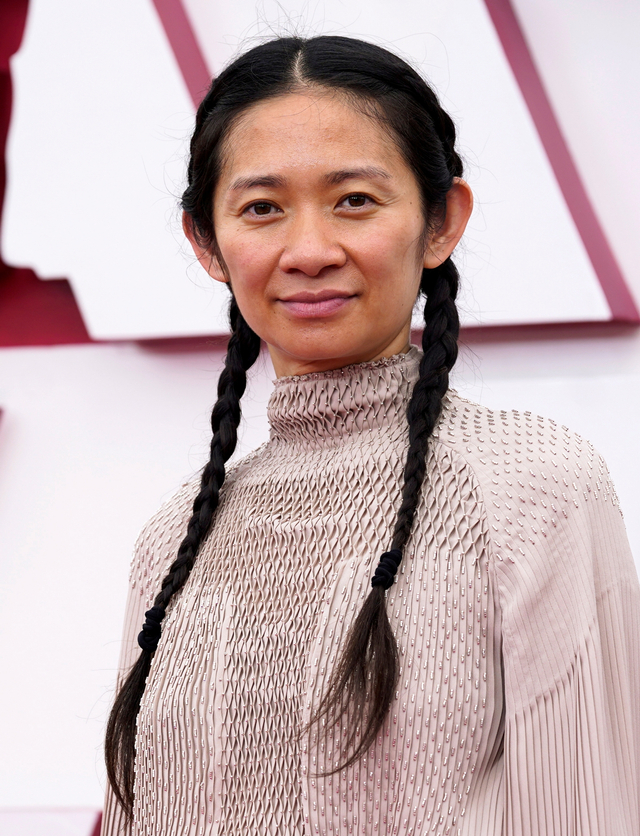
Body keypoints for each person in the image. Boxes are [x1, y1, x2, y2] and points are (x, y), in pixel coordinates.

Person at [101, 35, 640, 836]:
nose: (311, 251)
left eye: (355, 199)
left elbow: (591, 809)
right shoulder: (175, 537)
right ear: (205, 242)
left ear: (441, 222)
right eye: (262, 208)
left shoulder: (536, 489)